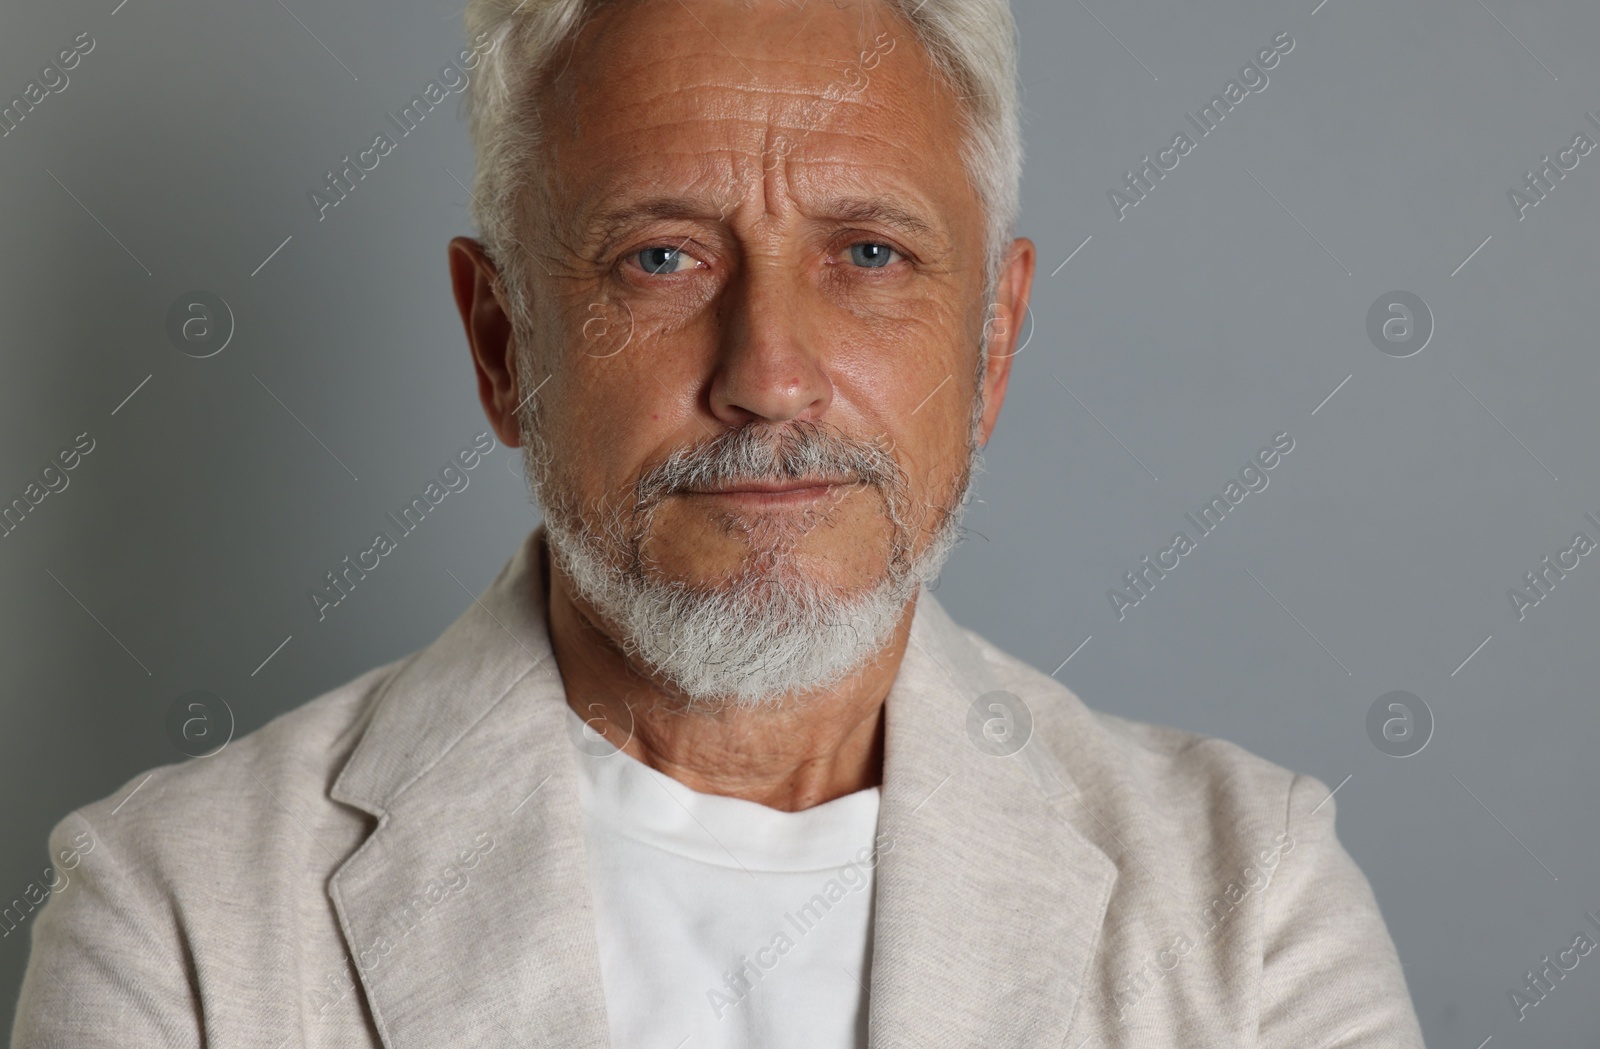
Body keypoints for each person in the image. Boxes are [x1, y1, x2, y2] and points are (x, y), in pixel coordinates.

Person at [10, 0, 1426, 1045]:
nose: (768, 376)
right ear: (502, 342)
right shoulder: (180, 913)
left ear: (993, 345)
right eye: (663, 256)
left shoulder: (1252, 908)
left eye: (868, 254)